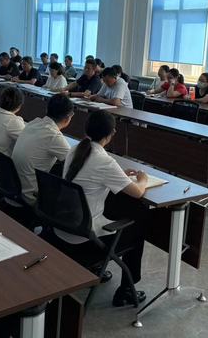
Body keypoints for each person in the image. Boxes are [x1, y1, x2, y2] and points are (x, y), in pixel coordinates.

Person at [52, 110, 149, 307]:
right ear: (111, 133)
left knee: (115, 208)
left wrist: (119, 175)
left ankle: (97, 270)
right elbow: (138, 192)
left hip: (61, 228)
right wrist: (143, 179)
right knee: (138, 229)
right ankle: (126, 292)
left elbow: (92, 175)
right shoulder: (104, 161)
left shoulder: (75, 150)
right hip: (84, 239)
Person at [12, 94, 73, 204]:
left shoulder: (33, 123)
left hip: (13, 187)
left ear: (46, 110)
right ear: (68, 117)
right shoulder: (53, 135)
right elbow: (74, 160)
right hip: (31, 196)